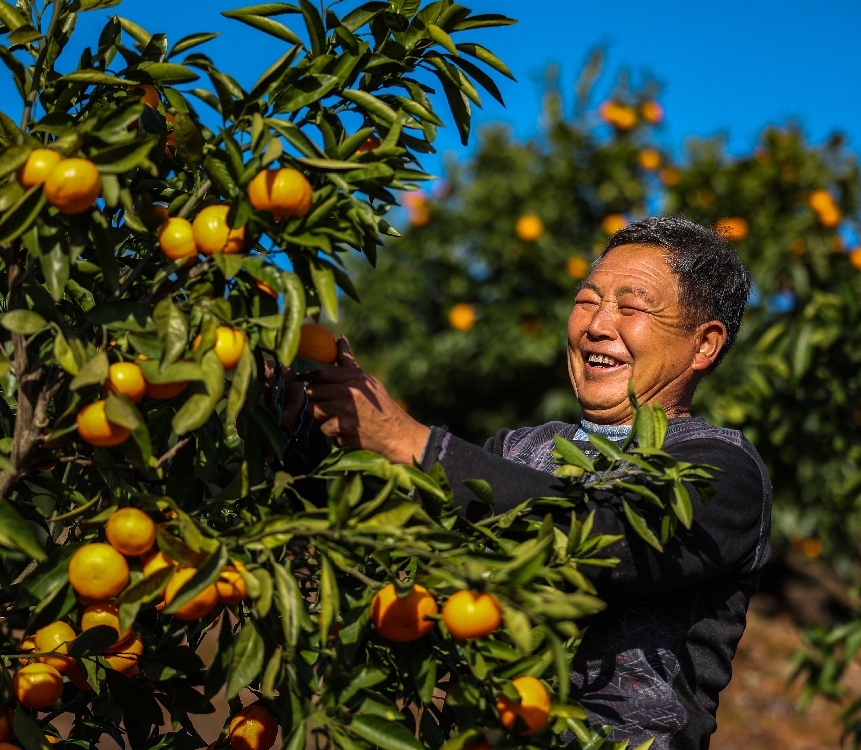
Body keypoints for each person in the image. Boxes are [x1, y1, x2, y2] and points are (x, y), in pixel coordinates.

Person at [283, 216, 772, 750]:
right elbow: (395, 527)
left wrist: (416, 445)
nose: (597, 325)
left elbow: (605, 538)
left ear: (704, 345)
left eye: (630, 308)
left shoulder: (720, 469)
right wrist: (294, 425)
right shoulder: (520, 450)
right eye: (587, 301)